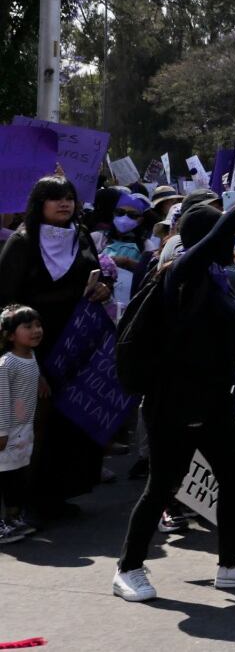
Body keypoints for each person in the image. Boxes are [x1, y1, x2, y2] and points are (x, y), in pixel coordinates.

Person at [113, 162, 235, 603]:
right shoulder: (182, 273)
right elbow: (220, 229)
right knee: (163, 485)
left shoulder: (216, 276)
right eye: (221, 235)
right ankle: (128, 569)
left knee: (233, 477)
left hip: (215, 399)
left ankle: (231, 565)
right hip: (174, 400)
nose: (231, 241)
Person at [0, 175, 112, 519]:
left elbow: (99, 275)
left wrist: (102, 288)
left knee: (70, 423)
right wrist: (26, 353)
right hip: (34, 348)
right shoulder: (22, 243)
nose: (64, 204)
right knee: (34, 426)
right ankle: (23, 504)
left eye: (69, 198)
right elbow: (6, 302)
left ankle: (58, 495)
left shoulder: (79, 236)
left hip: (76, 344)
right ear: (39, 203)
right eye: (55, 198)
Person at [0, 305, 43, 544]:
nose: (36, 330)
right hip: (7, 433)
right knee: (4, 478)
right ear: (9, 335)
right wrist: (2, 431)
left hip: (22, 430)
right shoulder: (7, 364)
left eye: (37, 325)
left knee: (15, 477)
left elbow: (30, 376)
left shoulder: (29, 355)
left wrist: (41, 381)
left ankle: (12, 519)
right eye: (28, 326)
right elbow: (2, 400)